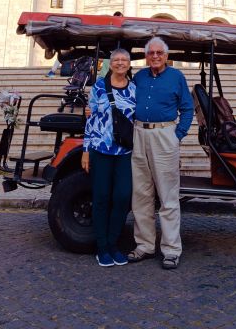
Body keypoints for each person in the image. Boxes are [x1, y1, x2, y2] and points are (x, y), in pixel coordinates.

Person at [128, 37, 194, 270]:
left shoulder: (177, 77)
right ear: (146, 56)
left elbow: (187, 107)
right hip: (139, 134)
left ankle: (171, 249)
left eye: (159, 53)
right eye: (151, 53)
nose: (155, 56)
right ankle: (145, 245)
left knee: (168, 196)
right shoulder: (139, 77)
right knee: (141, 194)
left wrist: (178, 135)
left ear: (166, 56)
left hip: (164, 134)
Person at [81, 48, 135, 268]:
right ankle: (102, 248)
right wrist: (86, 150)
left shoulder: (134, 89)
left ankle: (113, 244)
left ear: (129, 65)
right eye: (116, 60)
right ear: (110, 64)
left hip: (124, 152)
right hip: (101, 150)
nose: (120, 63)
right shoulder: (99, 87)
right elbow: (91, 119)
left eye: (124, 60)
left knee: (122, 197)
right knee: (101, 197)